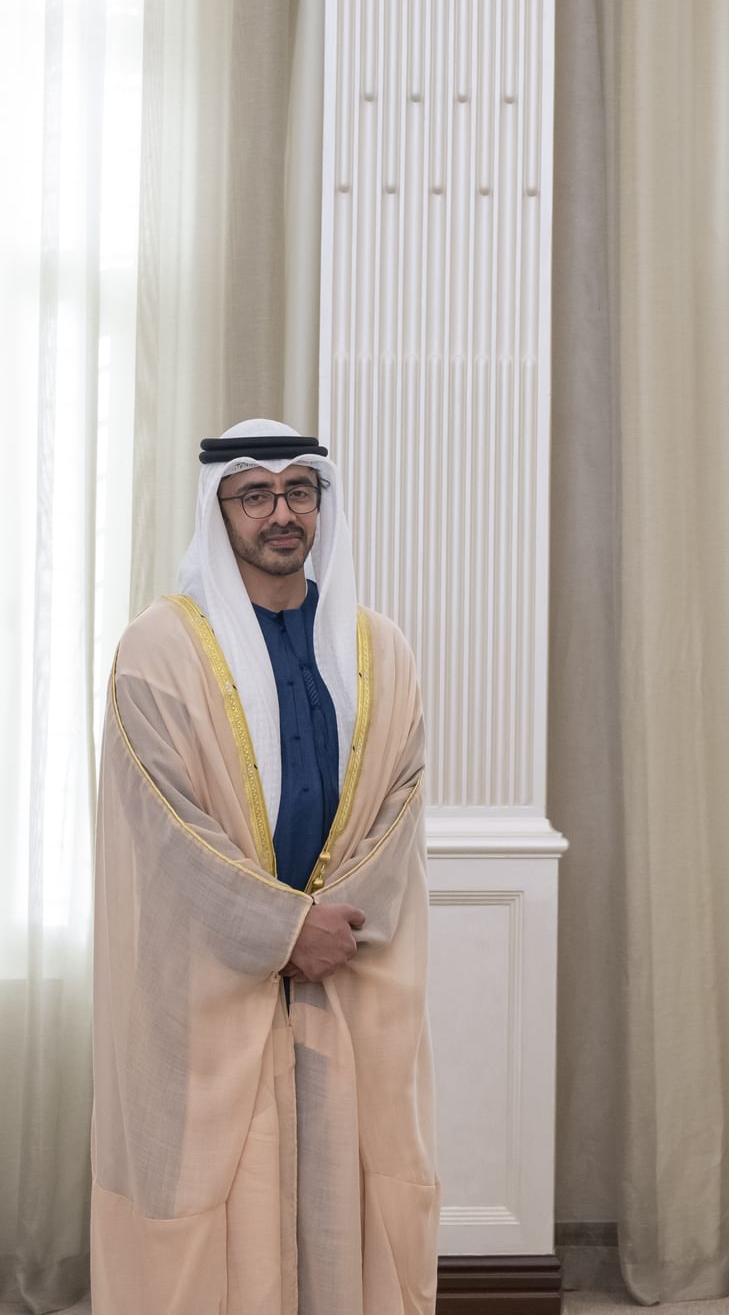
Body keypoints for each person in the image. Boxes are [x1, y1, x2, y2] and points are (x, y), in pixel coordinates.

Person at [92, 419, 437, 1313]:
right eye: (255, 495)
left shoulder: (380, 649)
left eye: (298, 492)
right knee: (214, 1214)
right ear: (219, 510)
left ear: (321, 501)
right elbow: (162, 825)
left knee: (345, 1196)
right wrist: (281, 930)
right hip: (209, 981)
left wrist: (330, 930)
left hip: (345, 971)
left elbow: (399, 806)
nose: (281, 514)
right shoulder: (158, 650)